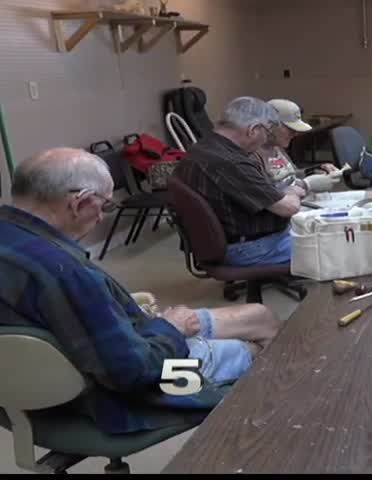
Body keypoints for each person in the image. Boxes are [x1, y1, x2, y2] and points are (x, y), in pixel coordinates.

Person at [0, 148, 283, 434]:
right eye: (105, 206)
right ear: (80, 202)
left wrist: (127, 312)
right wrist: (171, 329)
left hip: (46, 371)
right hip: (127, 391)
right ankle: (258, 439)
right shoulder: (65, 274)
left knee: (260, 316)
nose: (101, 218)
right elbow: (131, 372)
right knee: (258, 350)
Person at [175, 96, 303, 267]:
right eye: (267, 132)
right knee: (339, 244)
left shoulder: (203, 148)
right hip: (249, 248)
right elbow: (288, 208)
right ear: (253, 130)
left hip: (229, 240)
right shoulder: (232, 162)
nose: (266, 140)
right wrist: (292, 191)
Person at [259, 99, 342, 194]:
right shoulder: (252, 155)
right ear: (269, 125)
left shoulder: (277, 147)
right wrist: (305, 184)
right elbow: (264, 195)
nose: (295, 134)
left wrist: (315, 170)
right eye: (290, 129)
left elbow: (293, 175)